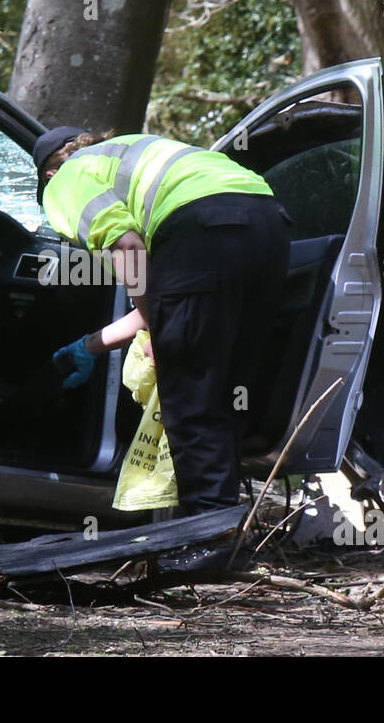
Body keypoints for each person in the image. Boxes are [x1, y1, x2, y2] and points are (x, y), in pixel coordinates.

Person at [36, 128, 293, 542]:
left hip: (204, 230)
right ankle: (224, 529)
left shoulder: (66, 180)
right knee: (226, 390)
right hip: (270, 224)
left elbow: (128, 248)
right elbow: (167, 298)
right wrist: (92, 345)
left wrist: (158, 322)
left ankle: (208, 540)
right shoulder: (129, 152)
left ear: (48, 175)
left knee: (192, 399)